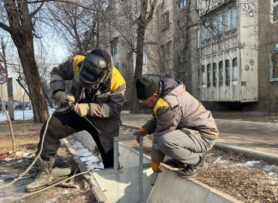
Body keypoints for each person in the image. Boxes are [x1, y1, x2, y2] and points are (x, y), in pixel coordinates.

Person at [26, 48, 126, 192]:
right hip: (76, 109)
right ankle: (45, 171)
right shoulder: (77, 62)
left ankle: (113, 181)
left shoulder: (117, 82)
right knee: (51, 127)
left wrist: (89, 108)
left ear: (102, 75)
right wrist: (59, 92)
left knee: (109, 153)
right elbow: (56, 72)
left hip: (104, 119)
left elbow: (114, 109)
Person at [133, 77, 218, 177]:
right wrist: (146, 129)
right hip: (194, 131)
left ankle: (197, 162)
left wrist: (155, 161)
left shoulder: (167, 103)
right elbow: (160, 119)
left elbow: (161, 132)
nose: (147, 105)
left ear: (155, 95)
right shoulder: (165, 92)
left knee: (164, 141)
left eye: (146, 102)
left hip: (204, 136)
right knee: (167, 139)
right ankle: (180, 161)